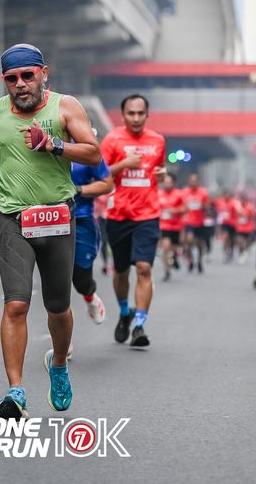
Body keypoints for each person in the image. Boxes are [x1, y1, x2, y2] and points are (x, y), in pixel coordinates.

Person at [0, 43, 101, 419]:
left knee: (58, 309)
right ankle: (16, 392)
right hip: (13, 217)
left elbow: (93, 153)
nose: (20, 84)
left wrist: (54, 145)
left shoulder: (65, 107)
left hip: (57, 218)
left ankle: (57, 364)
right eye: (12, 78)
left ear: (43, 73)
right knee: (16, 304)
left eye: (27, 75)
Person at [100, 94, 166, 349]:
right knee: (121, 271)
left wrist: (162, 173)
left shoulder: (158, 140)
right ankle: (124, 311)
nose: (136, 118)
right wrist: (125, 163)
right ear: (123, 115)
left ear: (147, 114)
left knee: (144, 268)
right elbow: (99, 173)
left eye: (140, 113)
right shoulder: (112, 139)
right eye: (131, 113)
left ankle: (139, 324)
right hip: (118, 215)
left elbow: (158, 170)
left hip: (148, 214)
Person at [71, 156, 114, 324]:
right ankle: (61, 339)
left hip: (80, 219)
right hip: (46, 220)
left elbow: (107, 183)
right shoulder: (37, 147)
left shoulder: (85, 149)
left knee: (82, 281)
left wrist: (77, 189)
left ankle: (90, 296)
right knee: (56, 286)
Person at [158, 172, 186, 281]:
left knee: (173, 249)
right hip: (164, 226)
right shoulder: (159, 194)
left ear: (174, 183)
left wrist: (174, 211)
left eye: (169, 182)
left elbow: (186, 208)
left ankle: (174, 257)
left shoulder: (179, 194)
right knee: (166, 248)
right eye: (165, 182)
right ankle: (167, 271)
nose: (167, 184)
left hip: (176, 226)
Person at [182, 172, 209, 274]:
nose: (193, 183)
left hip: (200, 222)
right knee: (189, 240)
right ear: (189, 181)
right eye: (191, 181)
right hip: (188, 221)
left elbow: (208, 207)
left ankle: (199, 261)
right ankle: (191, 260)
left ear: (198, 182)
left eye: (195, 181)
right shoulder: (184, 192)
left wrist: (202, 206)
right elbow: (181, 205)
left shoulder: (203, 192)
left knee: (199, 244)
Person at [216, 190, 238, 262]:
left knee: (232, 239)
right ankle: (225, 252)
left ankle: (231, 250)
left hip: (233, 223)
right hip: (224, 223)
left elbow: (239, 211)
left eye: (228, 195)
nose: (227, 196)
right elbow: (217, 210)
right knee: (225, 237)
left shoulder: (234, 202)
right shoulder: (219, 202)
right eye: (225, 195)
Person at [235, 192, 256, 264]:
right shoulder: (238, 207)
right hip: (240, 227)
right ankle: (241, 252)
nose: (242, 201)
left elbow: (252, 216)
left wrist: (246, 215)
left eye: (244, 199)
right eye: (241, 199)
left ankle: (245, 251)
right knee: (240, 241)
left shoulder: (250, 207)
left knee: (247, 242)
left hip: (248, 227)